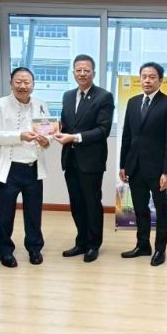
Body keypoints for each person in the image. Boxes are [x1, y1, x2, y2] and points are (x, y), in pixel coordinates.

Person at [0, 67, 50, 267]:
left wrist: (46, 141)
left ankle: (35, 248)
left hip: (33, 168)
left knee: (34, 213)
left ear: (33, 84)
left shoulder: (41, 104)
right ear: (11, 83)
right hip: (10, 169)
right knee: (5, 214)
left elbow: (47, 134)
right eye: (18, 82)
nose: (23, 86)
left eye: (27, 82)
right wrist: (19, 136)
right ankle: (5, 251)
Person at [54, 54, 114, 263]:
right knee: (76, 203)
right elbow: (65, 123)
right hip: (70, 159)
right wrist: (54, 129)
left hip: (91, 161)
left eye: (86, 70)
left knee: (92, 203)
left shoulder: (104, 96)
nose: (82, 74)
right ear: (73, 73)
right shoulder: (68, 95)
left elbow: (103, 130)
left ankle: (93, 244)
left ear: (93, 73)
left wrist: (74, 137)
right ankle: (81, 242)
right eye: (78, 70)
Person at [119, 62, 167, 267]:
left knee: (161, 210)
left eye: (152, 77)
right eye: (144, 76)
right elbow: (127, 136)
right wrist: (123, 165)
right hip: (135, 167)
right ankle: (142, 245)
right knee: (140, 208)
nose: (147, 80)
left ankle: (160, 249)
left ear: (160, 80)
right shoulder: (133, 102)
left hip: (158, 170)